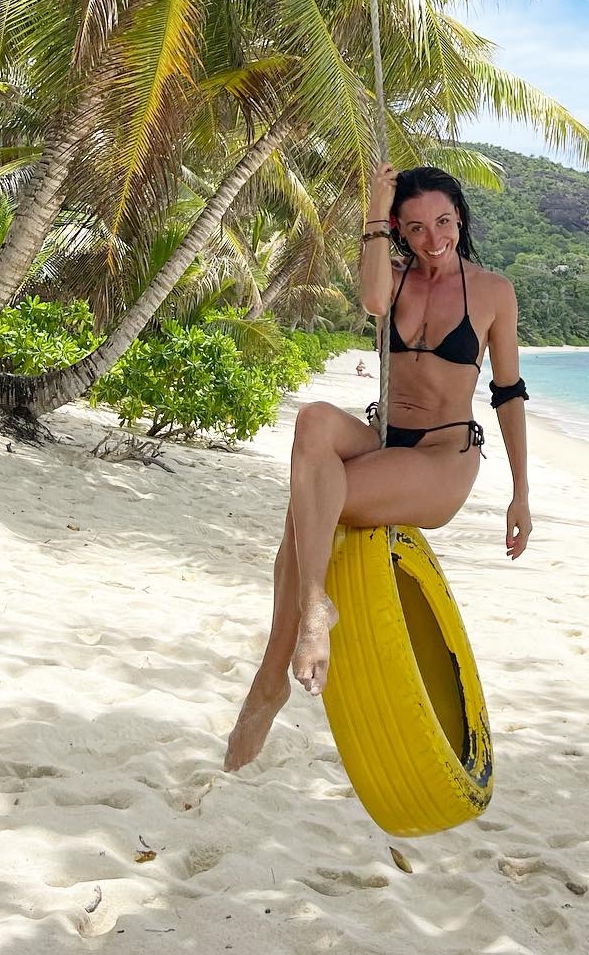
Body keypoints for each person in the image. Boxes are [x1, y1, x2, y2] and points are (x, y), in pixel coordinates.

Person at [224, 160, 532, 772]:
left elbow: (508, 391)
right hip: (385, 439)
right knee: (313, 421)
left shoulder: (493, 292)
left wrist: (520, 491)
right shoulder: (392, 277)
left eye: (442, 221)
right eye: (414, 227)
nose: (432, 238)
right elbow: (371, 300)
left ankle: (273, 670)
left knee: (311, 502)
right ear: (397, 230)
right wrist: (374, 206)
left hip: (443, 457)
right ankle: (308, 616)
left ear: (460, 217)